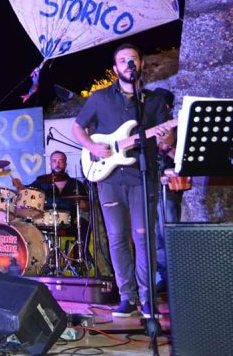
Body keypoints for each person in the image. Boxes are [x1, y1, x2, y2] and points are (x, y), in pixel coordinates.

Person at [72, 43, 174, 319]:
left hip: (143, 175)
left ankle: (148, 298)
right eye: (122, 60)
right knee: (117, 238)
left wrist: (167, 136)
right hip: (111, 177)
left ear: (140, 64)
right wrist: (92, 148)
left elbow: (167, 143)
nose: (129, 63)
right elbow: (77, 127)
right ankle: (127, 297)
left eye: (133, 59)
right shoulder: (100, 97)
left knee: (143, 238)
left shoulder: (153, 101)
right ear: (116, 68)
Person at [153, 88, 188, 293]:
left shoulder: (178, 128)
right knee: (155, 235)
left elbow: (182, 160)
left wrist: (168, 145)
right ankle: (160, 276)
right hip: (152, 187)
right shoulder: (148, 128)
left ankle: (174, 277)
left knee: (169, 232)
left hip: (170, 189)